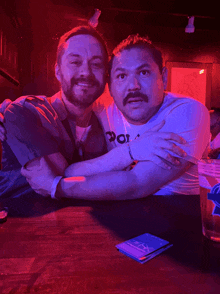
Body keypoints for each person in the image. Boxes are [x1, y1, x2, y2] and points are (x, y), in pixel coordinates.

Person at [0, 27, 187, 202]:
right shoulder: (26, 111)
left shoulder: (104, 120)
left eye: (96, 64)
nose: (86, 72)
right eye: (75, 62)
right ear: (57, 70)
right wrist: (130, 151)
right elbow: (59, 175)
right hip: (21, 228)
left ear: (106, 76)